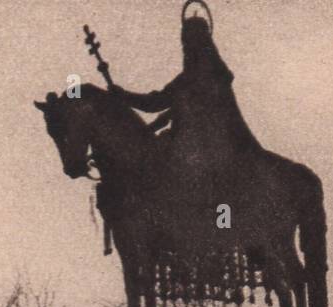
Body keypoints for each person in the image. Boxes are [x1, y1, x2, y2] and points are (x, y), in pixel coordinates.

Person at [108, 9, 261, 201]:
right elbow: (164, 105)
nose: (187, 47)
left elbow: (161, 104)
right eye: (185, 41)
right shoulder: (191, 78)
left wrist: (124, 96)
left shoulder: (210, 75)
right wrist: (124, 97)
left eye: (190, 41)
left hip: (209, 146)